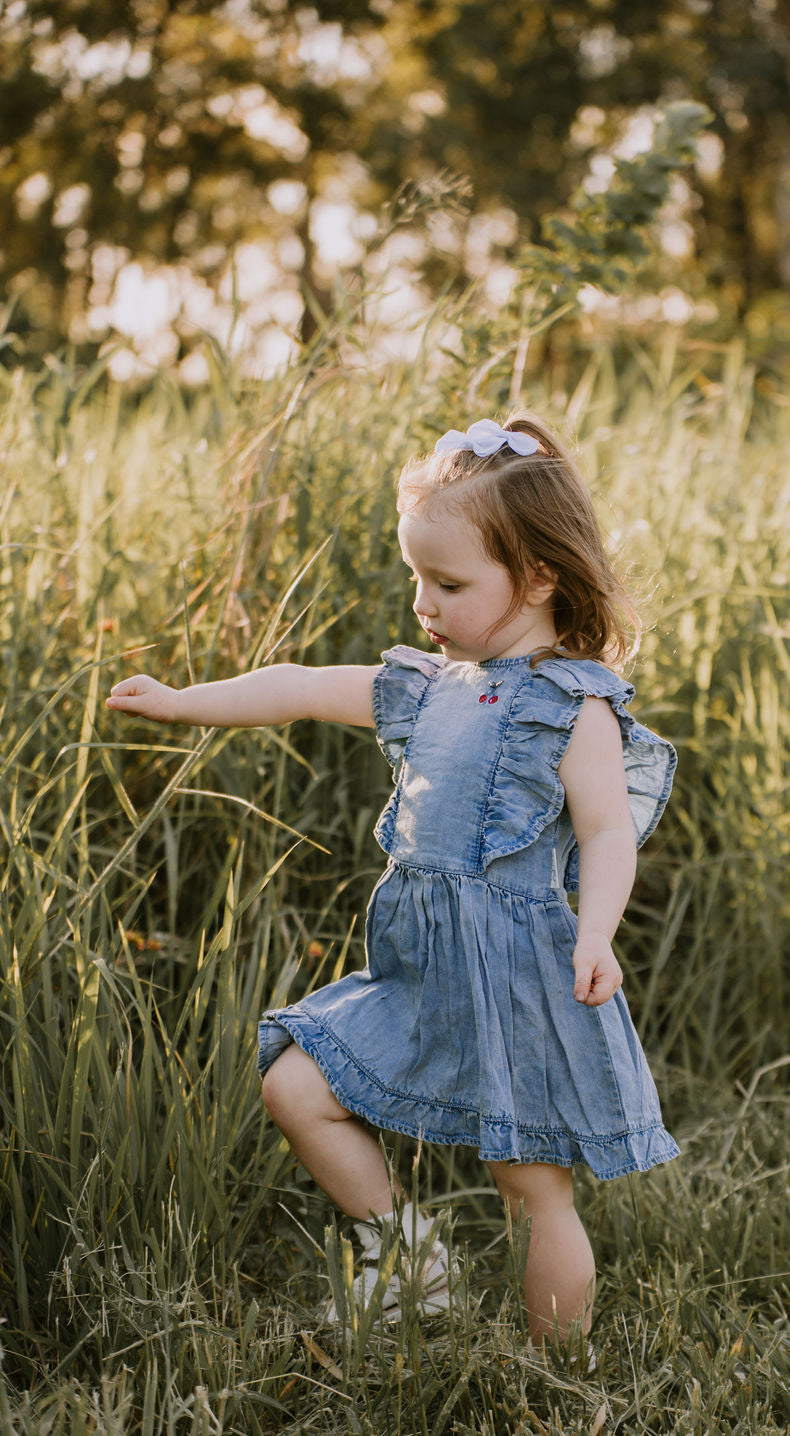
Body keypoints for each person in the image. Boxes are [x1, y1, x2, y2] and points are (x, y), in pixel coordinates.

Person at [107, 412, 678, 1356]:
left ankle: (556, 1373)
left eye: (448, 582)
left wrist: (596, 932)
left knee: (531, 1187)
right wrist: (182, 701)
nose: (423, 601)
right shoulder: (423, 685)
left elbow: (608, 828)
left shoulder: (572, 710)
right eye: (417, 576)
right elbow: (291, 683)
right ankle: (408, 1257)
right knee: (296, 1083)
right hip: (418, 969)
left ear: (538, 577)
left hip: (519, 977)